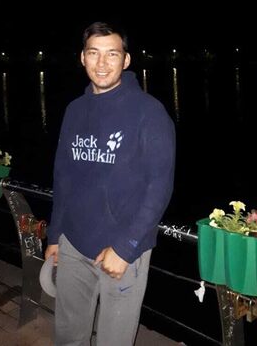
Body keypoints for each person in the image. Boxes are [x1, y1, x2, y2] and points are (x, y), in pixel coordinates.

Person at [45, 21, 176, 346]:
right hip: (73, 244)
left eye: (112, 54)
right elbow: (63, 176)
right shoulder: (74, 110)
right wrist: (55, 235)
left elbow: (159, 187)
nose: (102, 63)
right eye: (94, 53)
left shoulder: (150, 112)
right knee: (68, 337)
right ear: (82, 57)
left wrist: (125, 247)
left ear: (126, 60)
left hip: (122, 251)